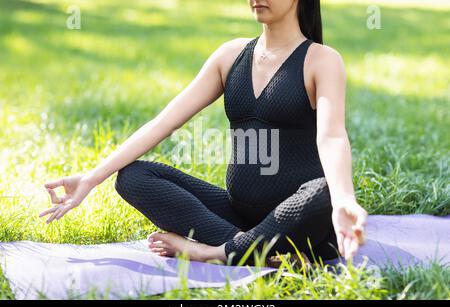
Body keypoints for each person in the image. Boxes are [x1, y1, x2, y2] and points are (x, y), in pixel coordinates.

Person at [39, 0, 368, 267]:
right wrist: (91, 179)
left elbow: (332, 136)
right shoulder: (231, 56)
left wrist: (343, 200)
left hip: (297, 219)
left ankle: (213, 252)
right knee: (133, 177)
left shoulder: (322, 60)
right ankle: (256, 250)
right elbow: (163, 122)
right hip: (237, 214)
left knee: (323, 192)